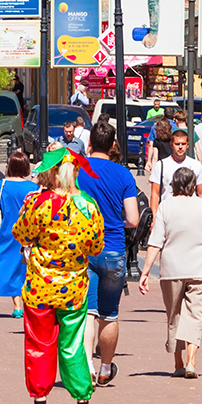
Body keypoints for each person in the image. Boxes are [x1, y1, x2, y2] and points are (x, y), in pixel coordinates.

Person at [14, 150, 107, 404]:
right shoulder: (88, 206)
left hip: (40, 287)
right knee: (73, 346)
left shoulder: (38, 203)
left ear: (53, 173)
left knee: (39, 346)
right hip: (74, 288)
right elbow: (96, 246)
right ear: (75, 172)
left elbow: (21, 233)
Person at [136, 167, 202, 378]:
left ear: (174, 185)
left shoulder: (165, 207)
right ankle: (191, 362)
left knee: (173, 313)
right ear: (193, 185)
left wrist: (145, 272)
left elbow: (155, 243)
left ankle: (178, 362)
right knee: (195, 314)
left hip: (171, 269)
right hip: (201, 269)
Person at [77, 123, 141, 386]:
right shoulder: (124, 175)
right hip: (113, 248)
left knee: (88, 312)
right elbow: (134, 219)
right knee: (109, 313)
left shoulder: (78, 170)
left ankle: (88, 366)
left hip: (83, 248)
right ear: (114, 145)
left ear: (89, 143)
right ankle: (105, 368)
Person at [0, 153, 37, 318]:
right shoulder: (32, 188)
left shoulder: (2, 184)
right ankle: (27, 303)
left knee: (8, 266)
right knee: (26, 269)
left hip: (7, 231)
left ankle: (17, 305)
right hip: (28, 233)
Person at [146, 128, 202, 218]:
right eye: (177, 144)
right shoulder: (161, 165)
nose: (180, 147)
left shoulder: (195, 165)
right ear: (171, 145)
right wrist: (154, 218)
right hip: (168, 214)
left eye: (183, 144)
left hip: (191, 214)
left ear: (188, 145)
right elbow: (155, 195)